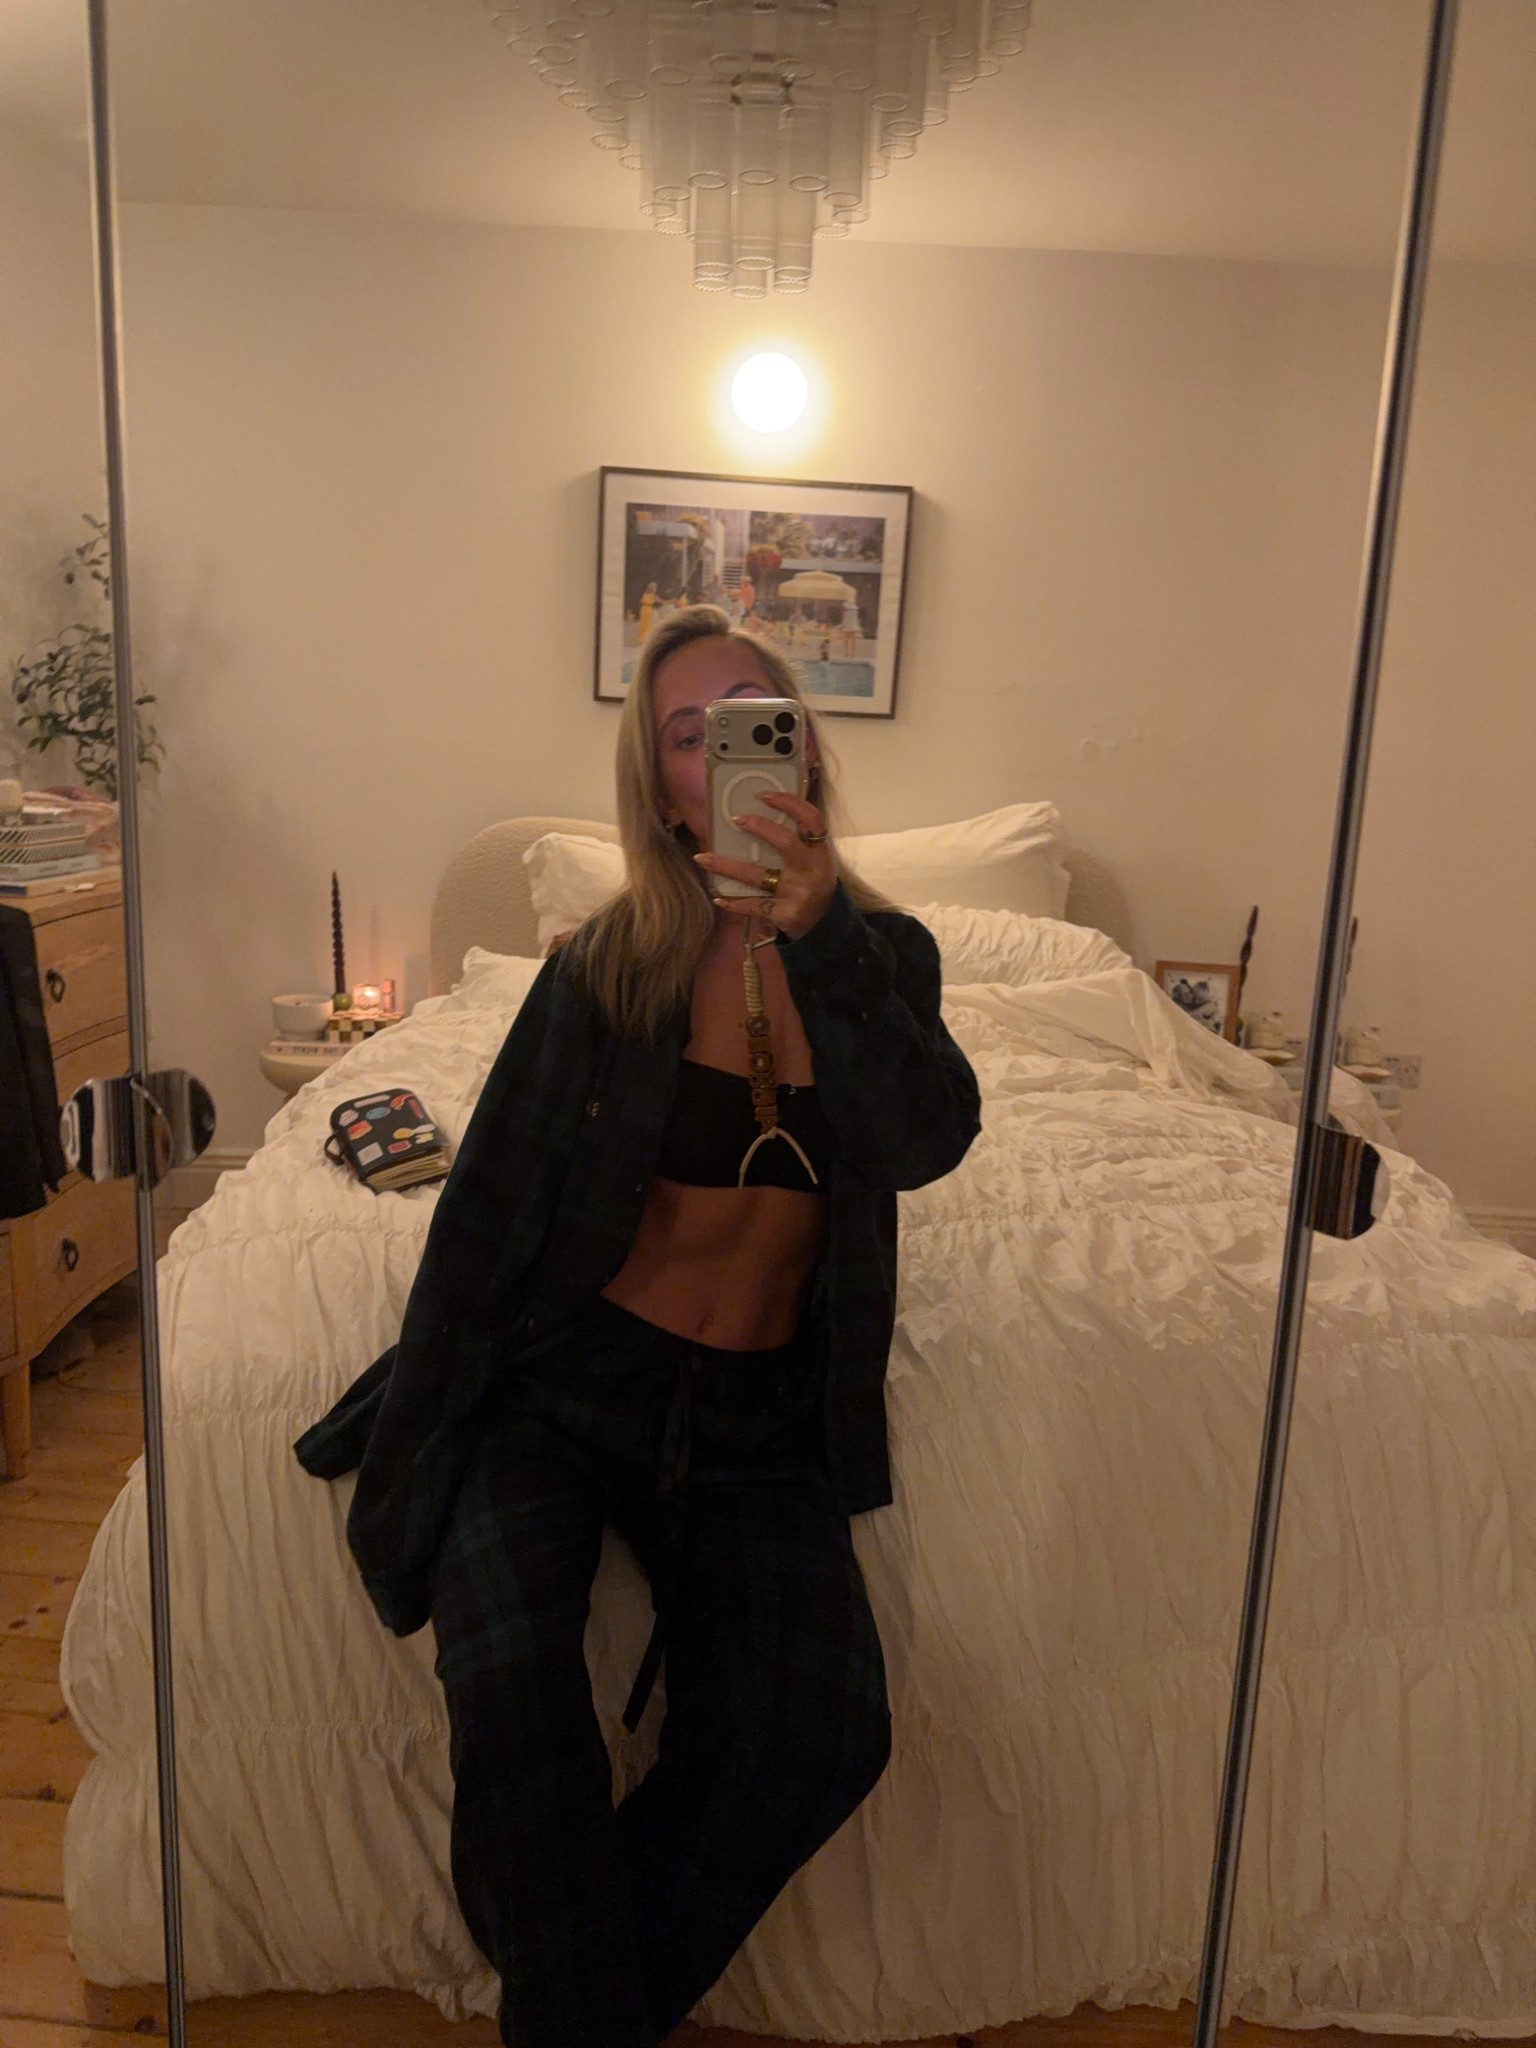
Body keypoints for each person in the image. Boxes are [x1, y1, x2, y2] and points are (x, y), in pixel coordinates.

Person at [294, 604, 982, 2047]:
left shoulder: (884, 957)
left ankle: (568, 2009)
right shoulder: (605, 966)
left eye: (754, 717)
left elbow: (925, 1137)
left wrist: (821, 940)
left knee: (823, 1729)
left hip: (760, 1418)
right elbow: (489, 1212)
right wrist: (423, 1440)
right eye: (689, 733)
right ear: (664, 789)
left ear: (801, 750)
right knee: (506, 1678)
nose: (726, 751)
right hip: (571, 1386)